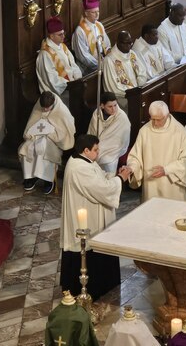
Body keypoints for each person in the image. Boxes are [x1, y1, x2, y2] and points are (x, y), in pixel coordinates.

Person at [60, 134, 131, 300]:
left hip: (90, 211)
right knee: (88, 248)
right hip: (86, 215)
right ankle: (91, 288)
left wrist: (112, 176)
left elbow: (99, 177)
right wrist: (121, 179)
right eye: (96, 149)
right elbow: (102, 190)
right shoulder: (79, 168)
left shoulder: (83, 160)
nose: (98, 152)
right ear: (86, 150)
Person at [125, 101, 186, 202]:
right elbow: (136, 157)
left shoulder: (179, 132)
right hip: (151, 184)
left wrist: (166, 170)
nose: (155, 123)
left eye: (159, 120)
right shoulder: (144, 131)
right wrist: (131, 168)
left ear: (167, 115)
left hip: (171, 185)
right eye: (152, 119)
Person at [19, 91, 75, 194]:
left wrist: (50, 133)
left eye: (47, 108)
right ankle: (31, 177)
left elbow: (66, 130)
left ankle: (48, 180)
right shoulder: (38, 106)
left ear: (53, 103)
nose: (44, 110)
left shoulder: (61, 110)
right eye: (43, 108)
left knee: (43, 149)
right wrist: (32, 133)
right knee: (27, 148)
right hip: (36, 136)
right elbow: (31, 124)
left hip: (52, 139)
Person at [36, 17, 82, 103]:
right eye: (60, 34)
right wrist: (70, 85)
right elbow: (52, 80)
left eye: (63, 33)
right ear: (51, 36)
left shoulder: (62, 46)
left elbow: (73, 65)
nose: (63, 36)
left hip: (71, 86)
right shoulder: (45, 54)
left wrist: (77, 79)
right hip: (56, 94)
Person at [102, 30, 147, 112]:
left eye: (130, 43)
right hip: (121, 97)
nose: (129, 46)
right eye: (126, 43)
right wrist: (134, 93)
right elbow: (113, 87)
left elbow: (142, 72)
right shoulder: (109, 60)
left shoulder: (132, 54)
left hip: (137, 92)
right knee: (137, 107)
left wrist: (140, 85)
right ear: (118, 42)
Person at [87, 92, 130, 173]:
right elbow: (92, 133)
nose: (114, 109)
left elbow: (119, 140)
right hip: (97, 145)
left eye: (115, 105)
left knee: (107, 161)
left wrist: (100, 148)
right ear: (102, 106)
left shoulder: (122, 117)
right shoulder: (97, 114)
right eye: (110, 106)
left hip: (113, 149)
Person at [72, 0, 111, 75]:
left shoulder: (99, 25)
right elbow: (84, 56)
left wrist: (109, 57)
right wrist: (100, 65)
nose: (97, 15)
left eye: (98, 11)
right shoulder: (80, 31)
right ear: (86, 13)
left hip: (102, 64)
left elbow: (107, 45)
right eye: (93, 12)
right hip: (88, 70)